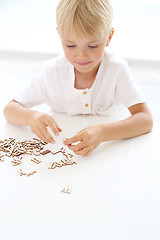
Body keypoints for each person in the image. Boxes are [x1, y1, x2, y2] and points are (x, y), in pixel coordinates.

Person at [4, 0, 153, 157]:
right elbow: (10, 110)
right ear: (59, 35)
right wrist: (32, 117)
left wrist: (102, 132)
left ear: (109, 37)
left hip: (111, 155)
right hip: (60, 153)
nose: (81, 55)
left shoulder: (116, 69)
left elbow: (145, 119)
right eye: (70, 45)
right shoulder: (51, 73)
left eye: (93, 46)